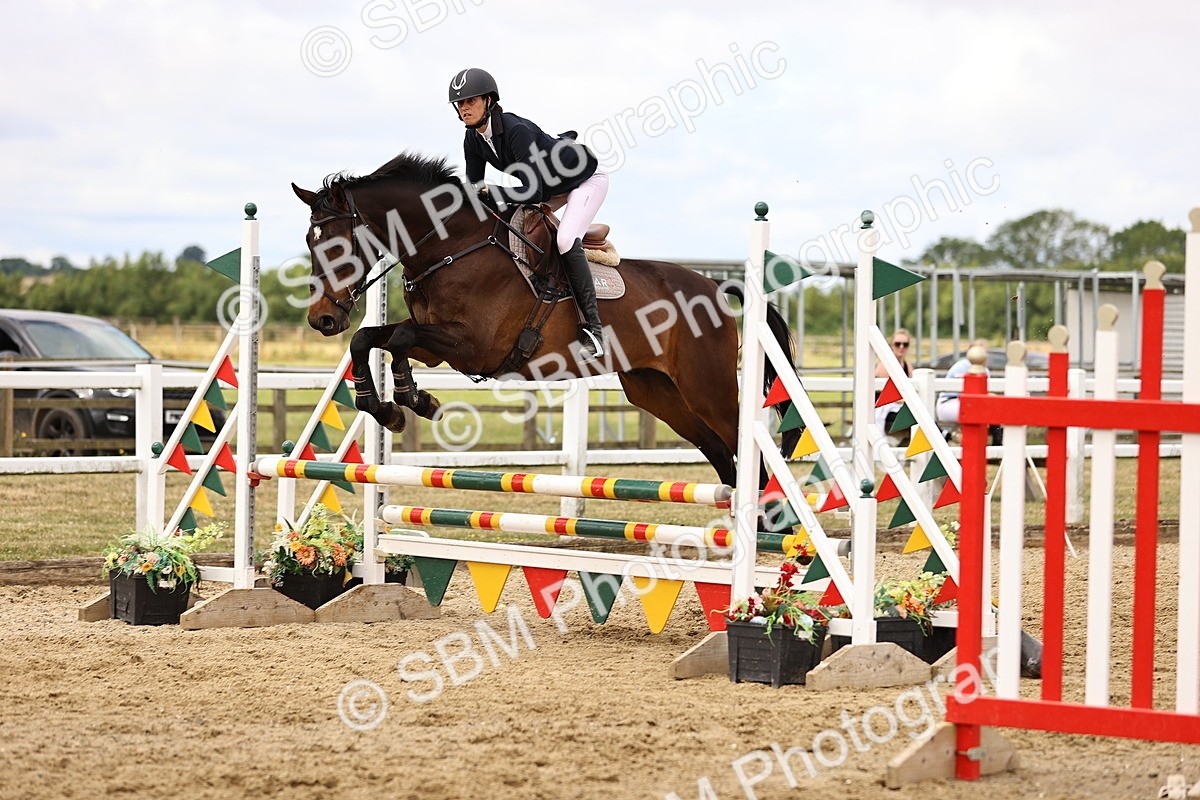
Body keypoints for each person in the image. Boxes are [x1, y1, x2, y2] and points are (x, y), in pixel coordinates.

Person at [449, 67, 609, 362]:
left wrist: (494, 190)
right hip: (549, 187)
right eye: (460, 103)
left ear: (488, 101)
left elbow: (532, 192)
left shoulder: (516, 131)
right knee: (511, 223)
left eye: (471, 101)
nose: (464, 108)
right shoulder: (472, 139)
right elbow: (475, 191)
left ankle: (595, 333)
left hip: (585, 179)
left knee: (564, 240)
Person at [874, 328, 914, 443]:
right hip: (885, 408)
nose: (901, 347)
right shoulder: (883, 366)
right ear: (891, 345)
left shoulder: (908, 366)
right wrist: (910, 400)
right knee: (917, 415)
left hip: (901, 405)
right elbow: (887, 395)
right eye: (897, 344)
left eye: (905, 344)